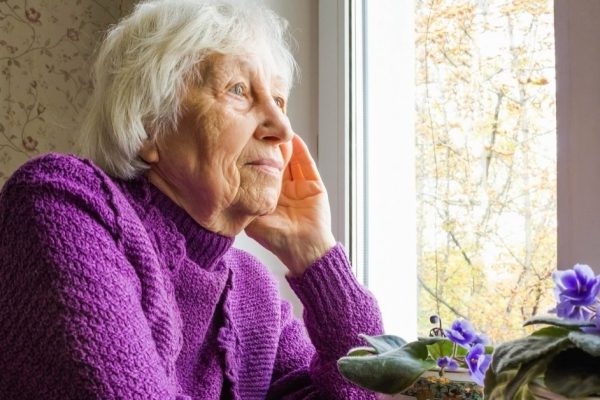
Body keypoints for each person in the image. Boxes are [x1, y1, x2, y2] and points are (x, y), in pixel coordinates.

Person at [0, 0, 383, 399]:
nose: (283, 127)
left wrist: (315, 254)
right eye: (238, 90)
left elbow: (366, 389)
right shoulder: (64, 204)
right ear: (150, 122)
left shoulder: (253, 290)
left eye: (280, 101)